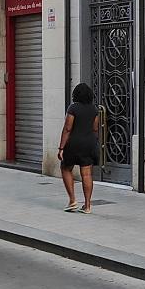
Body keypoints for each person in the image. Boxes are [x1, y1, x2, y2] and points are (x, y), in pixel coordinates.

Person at [57, 83, 100, 214]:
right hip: (89, 143)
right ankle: (87, 206)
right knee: (86, 174)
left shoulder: (73, 108)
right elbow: (95, 128)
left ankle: (72, 200)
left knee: (65, 168)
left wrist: (61, 147)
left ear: (75, 94)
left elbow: (68, 128)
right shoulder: (94, 109)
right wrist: (94, 142)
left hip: (74, 143)